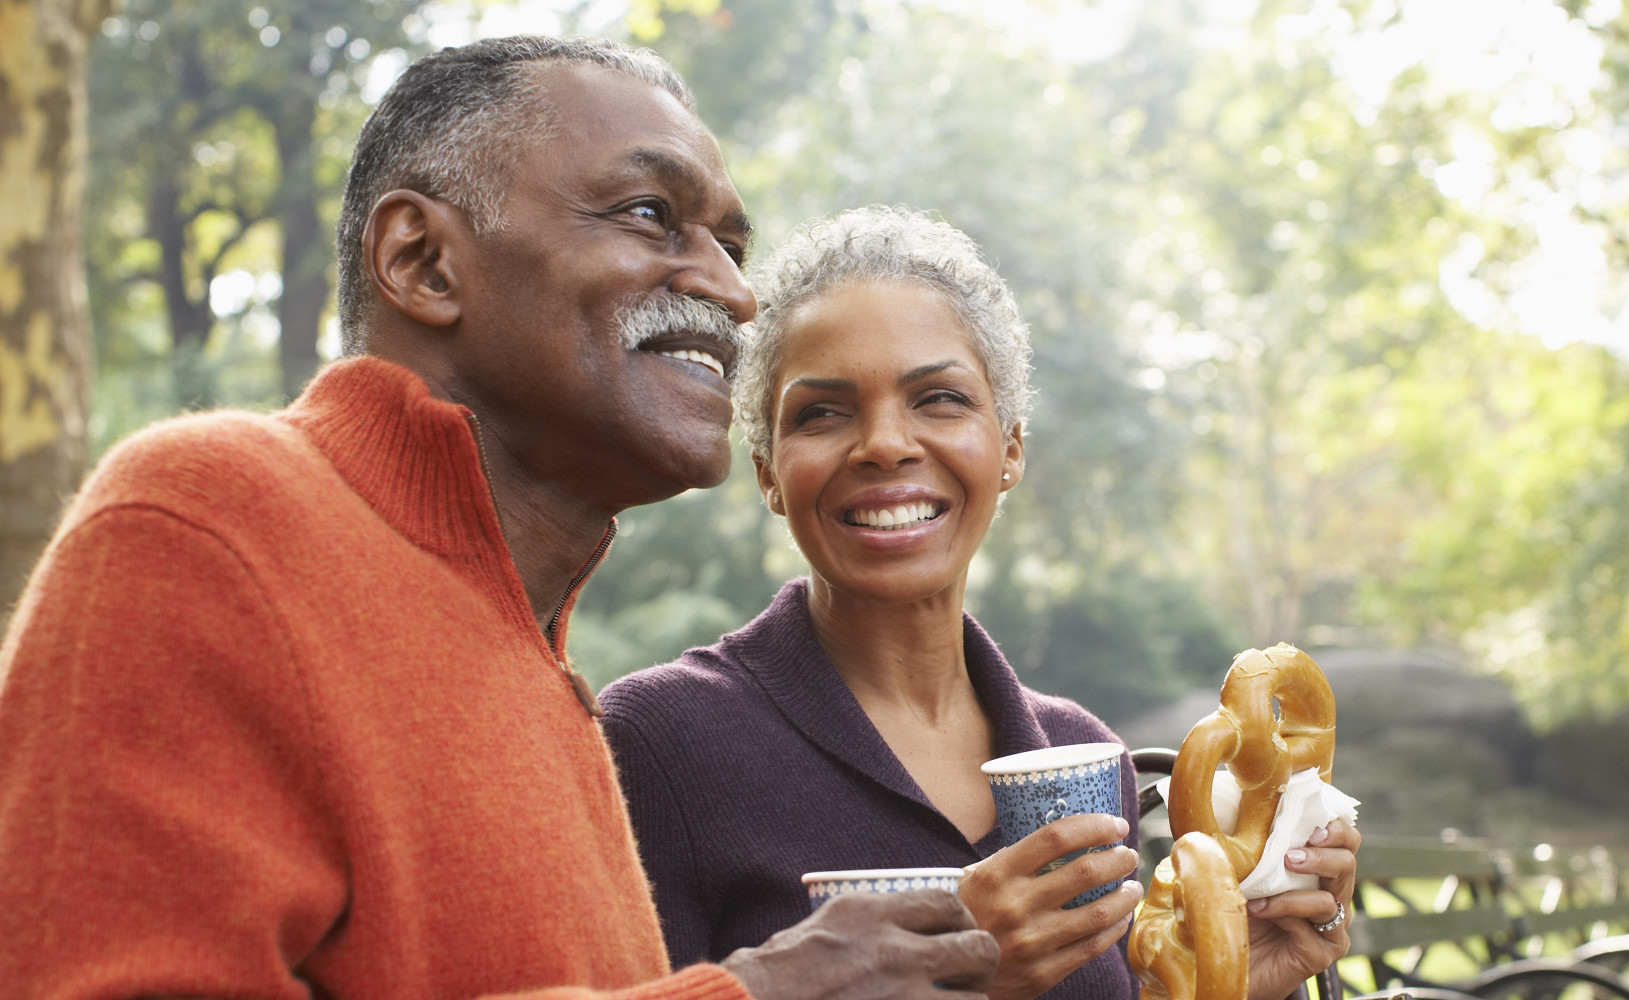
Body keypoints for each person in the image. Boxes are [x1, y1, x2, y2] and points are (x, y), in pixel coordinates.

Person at [0, 38, 996, 1000]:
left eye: (729, 245)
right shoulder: (205, 519)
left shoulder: (541, 669)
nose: (735, 293)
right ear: (423, 260)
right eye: (651, 214)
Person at [600, 206, 1360, 1000]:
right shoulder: (661, 742)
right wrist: (959, 975)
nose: (885, 444)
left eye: (939, 399)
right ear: (767, 472)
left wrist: (1239, 978)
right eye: (823, 412)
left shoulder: (1084, 753)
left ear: (1010, 448)